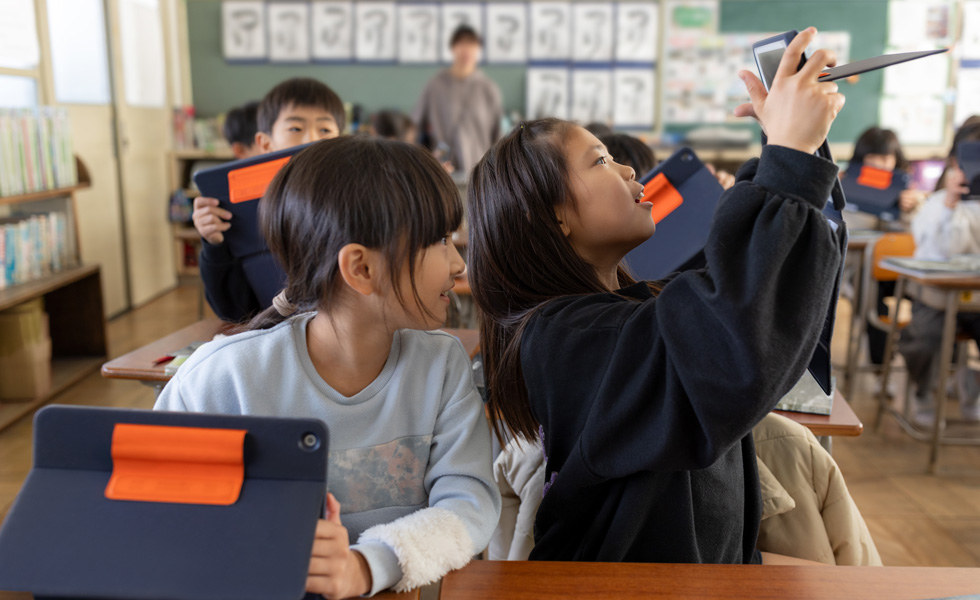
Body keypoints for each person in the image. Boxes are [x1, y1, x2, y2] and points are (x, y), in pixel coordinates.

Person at [467, 28, 845, 565]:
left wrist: (789, 148)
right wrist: (788, 157)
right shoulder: (563, 338)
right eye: (600, 161)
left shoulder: (631, 307)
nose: (628, 169)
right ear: (551, 215)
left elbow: (770, 305)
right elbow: (734, 347)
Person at [156, 136, 500, 598]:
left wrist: (365, 566)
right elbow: (160, 514)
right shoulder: (220, 378)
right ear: (360, 268)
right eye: (439, 241)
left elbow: (470, 503)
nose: (458, 263)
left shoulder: (442, 365)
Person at [192, 78, 345, 322]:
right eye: (295, 129)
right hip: (274, 331)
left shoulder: (352, 198)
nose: (311, 139)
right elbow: (234, 311)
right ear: (265, 143)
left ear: (341, 141)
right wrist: (214, 244)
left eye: (325, 130)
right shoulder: (237, 210)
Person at [898, 120, 980, 426]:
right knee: (924, 337)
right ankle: (922, 390)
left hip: (977, 300)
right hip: (937, 298)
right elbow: (941, 249)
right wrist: (950, 203)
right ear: (955, 162)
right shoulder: (935, 204)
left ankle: (971, 381)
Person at [844, 127, 926, 369]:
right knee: (871, 295)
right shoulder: (844, 187)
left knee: (930, 298)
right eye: (872, 158)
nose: (879, 164)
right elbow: (848, 233)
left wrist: (908, 211)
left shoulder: (907, 190)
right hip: (861, 270)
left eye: (885, 158)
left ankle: (924, 358)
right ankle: (881, 366)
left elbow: (916, 239)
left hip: (901, 270)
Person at [412, 25, 502, 174]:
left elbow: (497, 138)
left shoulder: (488, 89)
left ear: (478, 49)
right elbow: (414, 127)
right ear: (453, 48)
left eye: (471, 44)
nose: (466, 50)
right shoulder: (435, 85)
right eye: (461, 44)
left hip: (480, 172)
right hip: (442, 170)